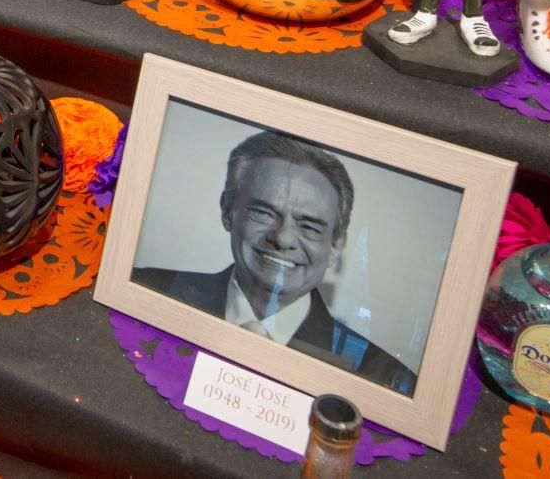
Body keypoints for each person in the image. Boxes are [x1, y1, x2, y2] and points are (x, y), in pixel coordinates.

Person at [135, 131, 418, 395]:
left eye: (309, 227)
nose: (282, 238)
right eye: (264, 213)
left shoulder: (381, 377)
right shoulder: (144, 289)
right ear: (227, 211)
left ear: (335, 246)